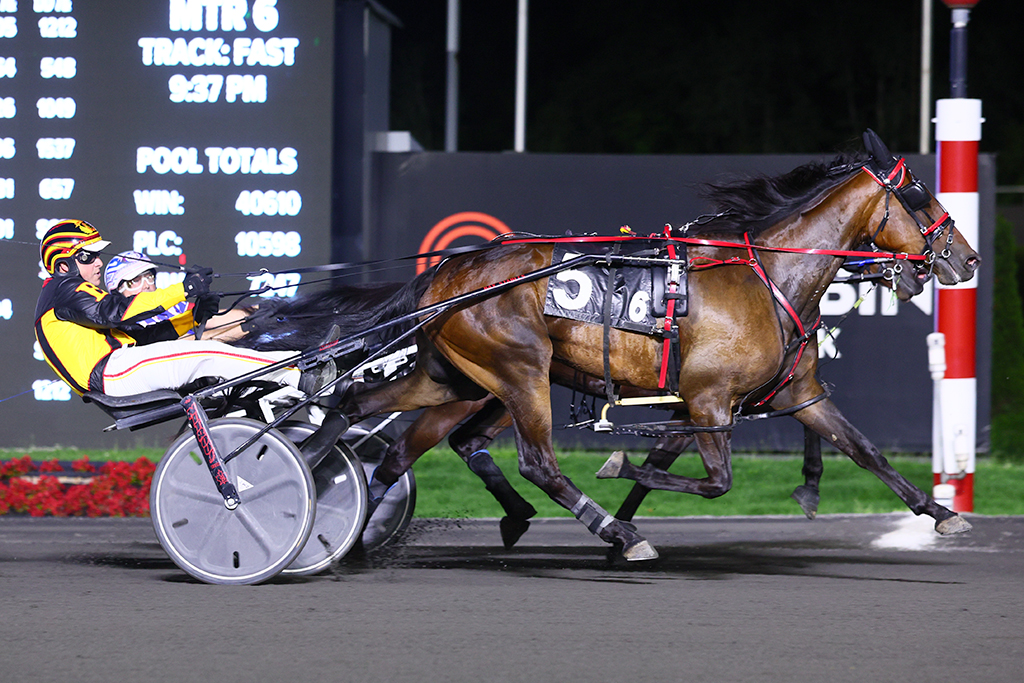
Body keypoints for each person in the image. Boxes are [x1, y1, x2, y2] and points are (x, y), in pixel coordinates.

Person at [34, 219, 334, 398]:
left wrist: (194, 317)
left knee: (209, 350)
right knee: (206, 355)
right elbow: (112, 312)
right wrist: (184, 289)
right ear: (62, 264)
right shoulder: (62, 289)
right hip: (110, 374)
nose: (98, 261)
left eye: (98, 254)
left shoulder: (76, 299)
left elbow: (150, 337)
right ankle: (299, 376)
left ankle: (309, 364)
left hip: (119, 367)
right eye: (88, 256)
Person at [103, 250, 252, 342]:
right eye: (135, 281)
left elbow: (218, 318)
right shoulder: (120, 327)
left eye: (149, 277)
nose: (147, 285)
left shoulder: (174, 307)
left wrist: (263, 310)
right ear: (117, 291)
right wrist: (249, 327)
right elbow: (177, 346)